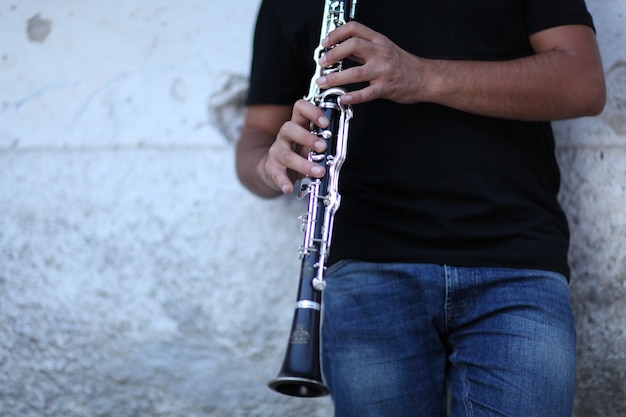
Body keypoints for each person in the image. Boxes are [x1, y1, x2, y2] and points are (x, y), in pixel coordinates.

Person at [236, 0, 606, 416]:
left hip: (516, 268)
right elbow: (257, 135)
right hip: (367, 272)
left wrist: (420, 76)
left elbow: (583, 83)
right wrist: (271, 166)